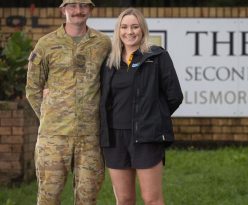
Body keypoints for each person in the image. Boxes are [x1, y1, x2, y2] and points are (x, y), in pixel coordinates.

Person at [25, 0, 111, 204]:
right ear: (63, 9)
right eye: (72, 6)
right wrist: (50, 115)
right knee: (48, 197)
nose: (78, 11)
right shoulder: (46, 44)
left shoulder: (103, 43)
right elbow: (33, 89)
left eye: (83, 6)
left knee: (88, 198)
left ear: (90, 9)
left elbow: (110, 83)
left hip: (90, 138)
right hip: (53, 138)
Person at [100, 8, 183, 205]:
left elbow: (174, 96)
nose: (130, 32)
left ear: (143, 30)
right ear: (118, 30)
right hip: (114, 138)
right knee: (125, 199)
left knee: (151, 199)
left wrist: (153, 117)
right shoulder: (109, 61)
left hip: (146, 136)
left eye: (135, 27)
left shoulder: (157, 57)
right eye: (125, 27)